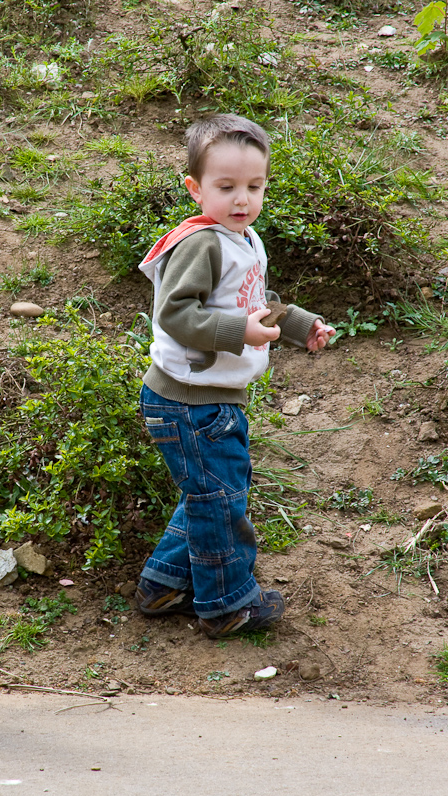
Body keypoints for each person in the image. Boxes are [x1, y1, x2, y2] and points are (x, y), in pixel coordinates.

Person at [134, 114, 334, 638]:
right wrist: (237, 332)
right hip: (189, 401)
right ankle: (226, 604)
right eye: (226, 188)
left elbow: (254, 303)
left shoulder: (243, 239)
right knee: (220, 501)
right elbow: (175, 314)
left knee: (213, 493)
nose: (241, 199)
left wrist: (299, 325)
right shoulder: (201, 243)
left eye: (254, 186)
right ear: (195, 189)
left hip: (212, 399)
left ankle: (165, 583)